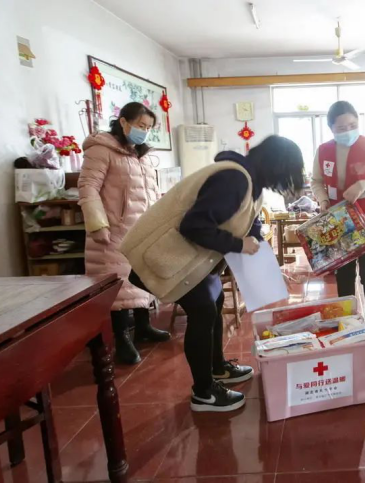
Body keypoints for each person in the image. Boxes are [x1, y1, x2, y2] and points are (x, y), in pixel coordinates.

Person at [121, 136, 305, 413]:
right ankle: (204, 393)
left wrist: (262, 251)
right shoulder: (234, 179)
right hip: (172, 257)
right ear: (276, 166)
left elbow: (248, 218)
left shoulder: (250, 183)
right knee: (203, 313)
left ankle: (217, 368)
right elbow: (194, 226)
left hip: (194, 260)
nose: (285, 183)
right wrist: (239, 244)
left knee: (215, 303)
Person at [79, 102, 171, 366]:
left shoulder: (139, 155)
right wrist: (98, 224)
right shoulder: (102, 150)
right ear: (123, 122)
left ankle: (143, 328)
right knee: (119, 286)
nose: (144, 131)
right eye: (141, 125)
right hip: (113, 230)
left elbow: (149, 193)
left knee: (141, 281)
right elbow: (88, 188)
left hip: (141, 230)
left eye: (148, 128)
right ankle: (122, 339)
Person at [311, 101, 365, 331]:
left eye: (352, 125)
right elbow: (316, 181)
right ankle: (346, 321)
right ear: (331, 129)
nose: (348, 131)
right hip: (340, 220)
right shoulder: (324, 151)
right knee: (344, 273)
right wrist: (323, 200)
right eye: (341, 128)